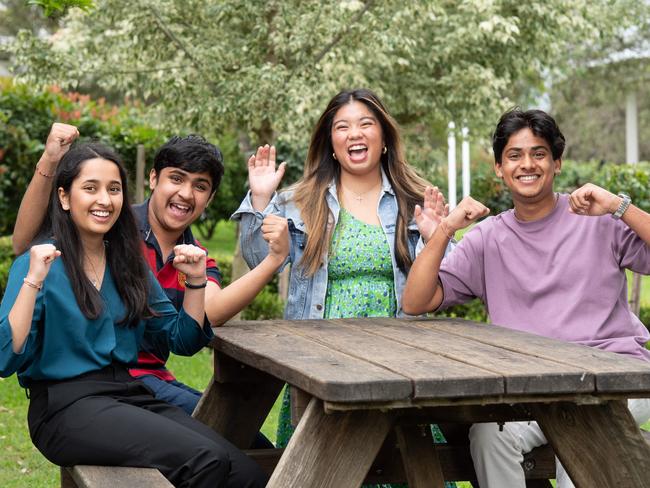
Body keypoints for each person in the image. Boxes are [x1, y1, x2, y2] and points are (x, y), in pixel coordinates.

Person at [402, 108, 650, 488]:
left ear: (557, 162)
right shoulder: (487, 239)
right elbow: (416, 302)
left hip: (616, 376)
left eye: (539, 153)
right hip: (532, 388)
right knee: (488, 437)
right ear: (500, 168)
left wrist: (619, 206)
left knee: (584, 440)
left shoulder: (598, 218)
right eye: (514, 155)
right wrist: (447, 228)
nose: (527, 164)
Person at [0, 142, 267, 487]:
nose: (105, 200)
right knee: (206, 461)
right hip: (65, 407)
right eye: (90, 188)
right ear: (65, 198)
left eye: (114, 189)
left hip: (128, 392)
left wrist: (197, 282)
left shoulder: (129, 265)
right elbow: (5, 358)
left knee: (244, 472)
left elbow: (181, 340)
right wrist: (33, 280)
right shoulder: (39, 264)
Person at [232, 88, 455, 488]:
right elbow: (258, 259)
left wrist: (435, 238)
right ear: (331, 144)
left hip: (401, 366)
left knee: (408, 472)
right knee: (327, 475)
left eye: (366, 124)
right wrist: (261, 198)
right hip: (323, 368)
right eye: (343, 126)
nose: (355, 133)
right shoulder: (300, 201)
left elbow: (448, 278)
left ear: (384, 137)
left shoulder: (415, 199)